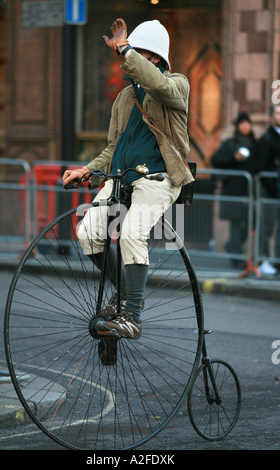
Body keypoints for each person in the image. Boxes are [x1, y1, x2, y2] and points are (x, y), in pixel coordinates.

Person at [62, 18, 193, 339]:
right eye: (127, 52)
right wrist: (88, 171)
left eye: (137, 52)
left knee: (133, 232)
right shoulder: (124, 99)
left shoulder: (176, 85)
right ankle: (124, 294)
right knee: (89, 232)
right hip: (120, 180)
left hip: (158, 180)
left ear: (156, 59)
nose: (126, 58)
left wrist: (125, 48)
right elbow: (113, 148)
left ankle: (132, 316)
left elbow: (159, 86)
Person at [211, 111, 257, 268]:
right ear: (238, 126)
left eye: (247, 123)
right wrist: (234, 158)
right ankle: (236, 258)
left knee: (252, 224)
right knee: (236, 224)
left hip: (251, 192)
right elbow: (216, 160)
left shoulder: (255, 143)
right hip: (233, 190)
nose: (245, 126)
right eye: (242, 123)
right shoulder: (231, 143)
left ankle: (232, 246)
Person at [253, 104, 280, 274]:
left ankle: (277, 262)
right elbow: (258, 167)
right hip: (270, 190)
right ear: (272, 117)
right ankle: (263, 261)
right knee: (266, 227)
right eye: (278, 113)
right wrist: (271, 187)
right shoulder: (266, 139)